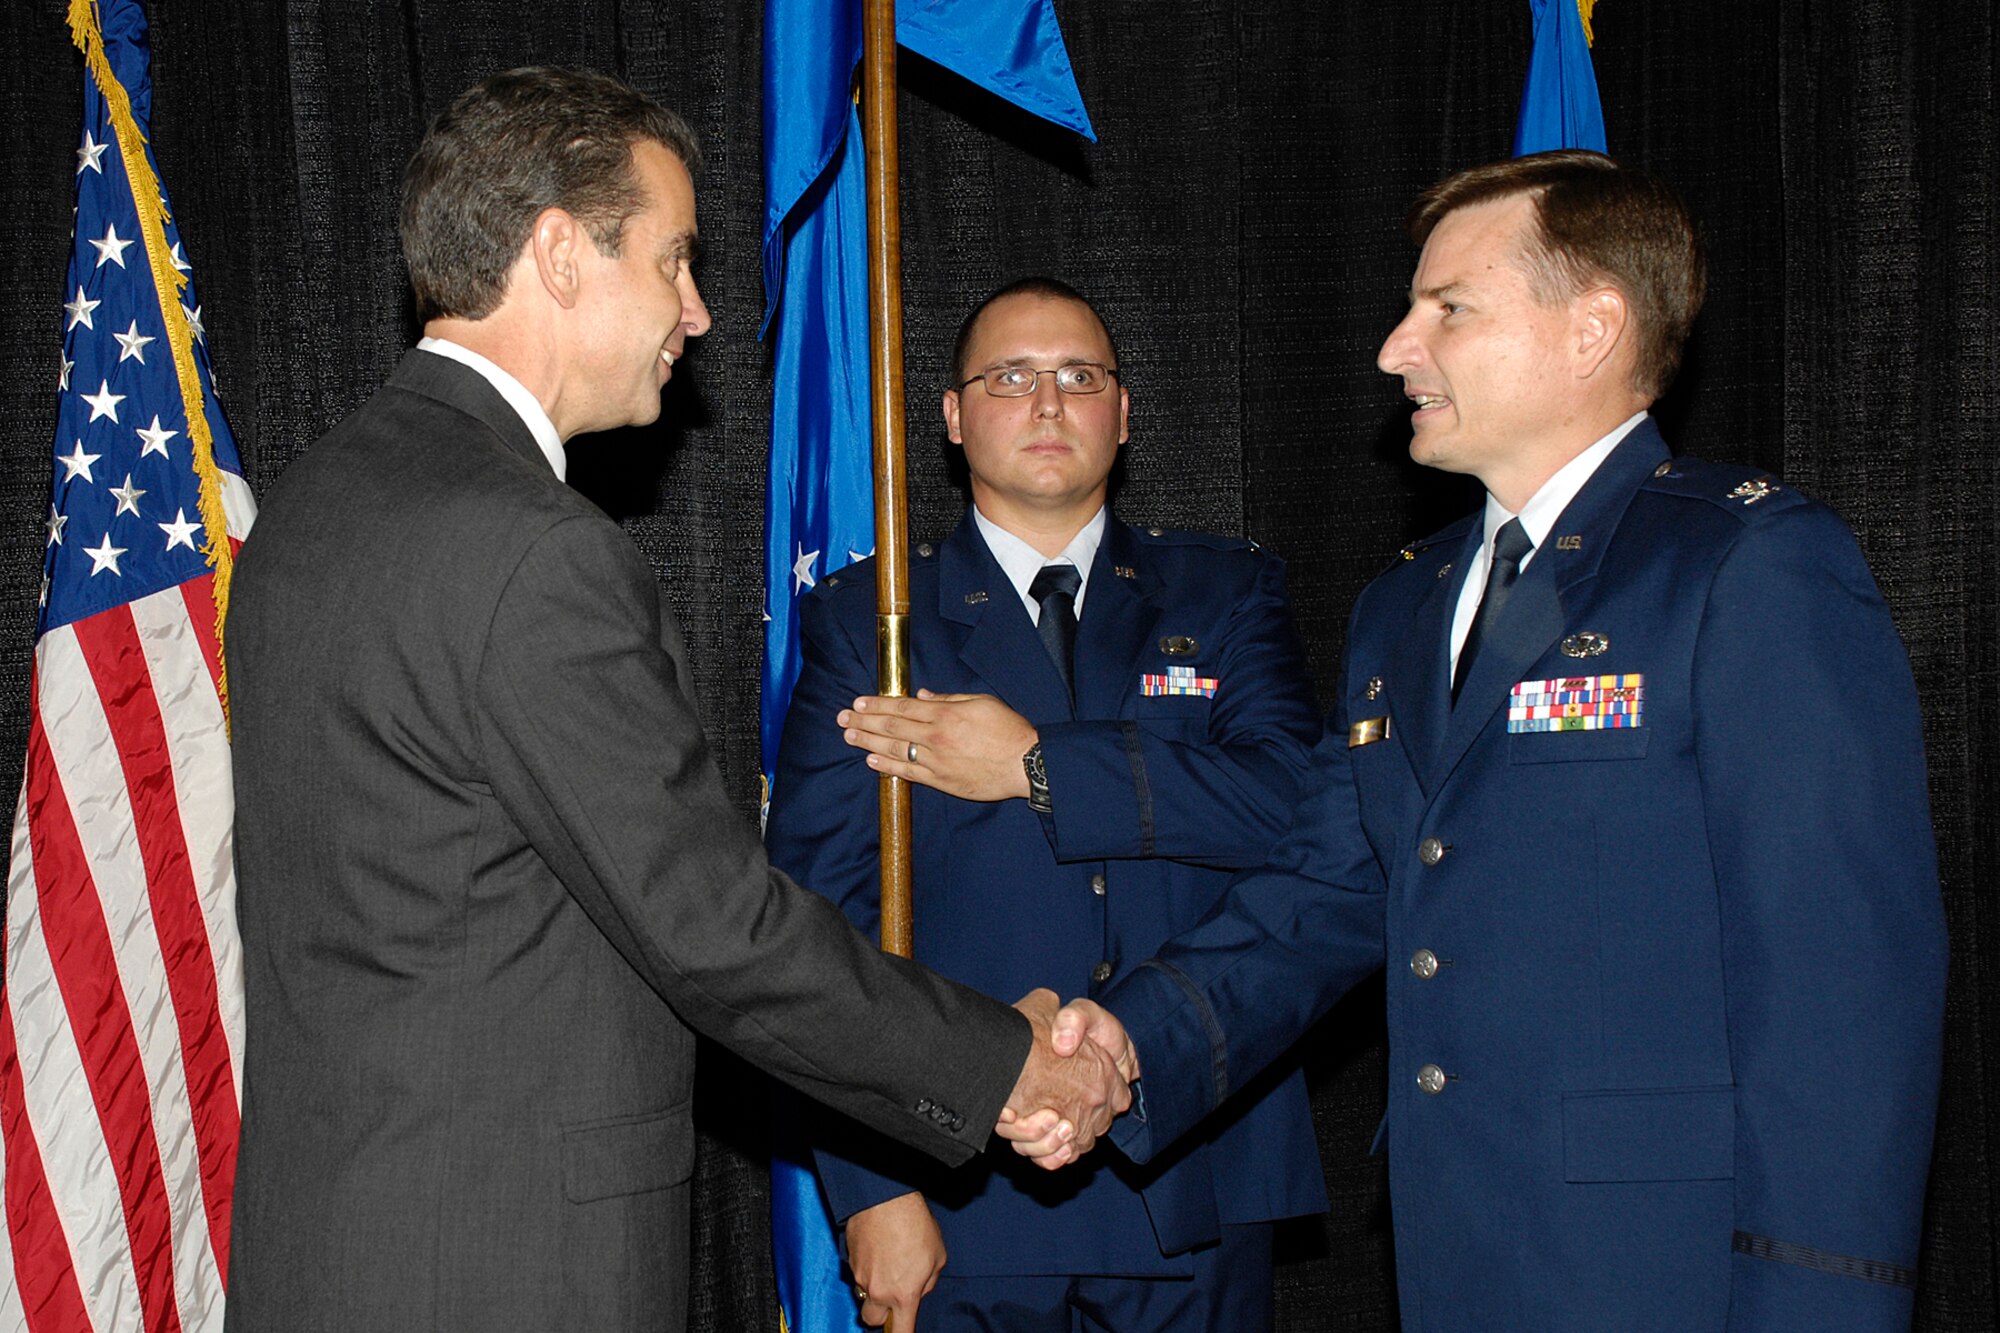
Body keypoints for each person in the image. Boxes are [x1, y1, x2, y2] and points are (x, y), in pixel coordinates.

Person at [223, 68, 1128, 1333]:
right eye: (672, 260)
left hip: (343, 1241)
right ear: (556, 252)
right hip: (509, 1266)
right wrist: (1002, 1060)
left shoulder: (313, 507)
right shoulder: (529, 548)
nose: (698, 314)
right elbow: (716, 930)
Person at [1034, 150, 1948, 1329]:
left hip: (1675, 1274)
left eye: (1445, 309)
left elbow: (1841, 998)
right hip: (1463, 1255)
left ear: (1591, 328)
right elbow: (1325, 890)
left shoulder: (1745, 567)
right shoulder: (1401, 605)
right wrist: (1126, 1039)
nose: (1393, 347)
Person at [767, 277, 1326, 1330]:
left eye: (1079, 377)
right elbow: (813, 931)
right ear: (950, 415)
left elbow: (1300, 815)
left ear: (1123, 411)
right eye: (1009, 378)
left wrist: (1037, 764)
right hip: (961, 1187)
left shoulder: (1224, 594)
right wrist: (873, 1186)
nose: (1047, 403)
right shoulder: (872, 626)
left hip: (1190, 1176)